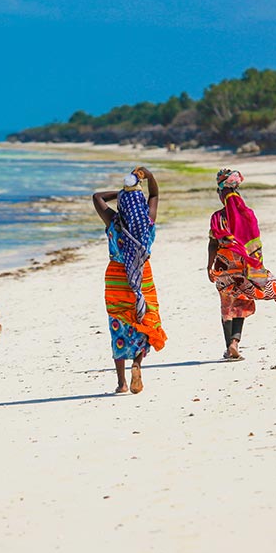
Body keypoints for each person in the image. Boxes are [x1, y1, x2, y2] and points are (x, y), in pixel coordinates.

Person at [92, 167, 166, 394]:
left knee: (118, 324)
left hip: (116, 277)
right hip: (142, 276)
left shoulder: (113, 222)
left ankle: (122, 383)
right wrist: (147, 178)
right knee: (143, 319)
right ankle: (137, 363)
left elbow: (97, 197)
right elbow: (154, 195)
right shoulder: (147, 222)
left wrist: (122, 192)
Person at [206, 168, 276, 360]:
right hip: (245, 268)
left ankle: (229, 346)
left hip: (223, 268)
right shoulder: (248, 215)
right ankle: (235, 343)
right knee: (242, 303)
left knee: (227, 306)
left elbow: (212, 244)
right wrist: (257, 266)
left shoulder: (217, 218)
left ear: (222, 194)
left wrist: (209, 266)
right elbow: (255, 244)